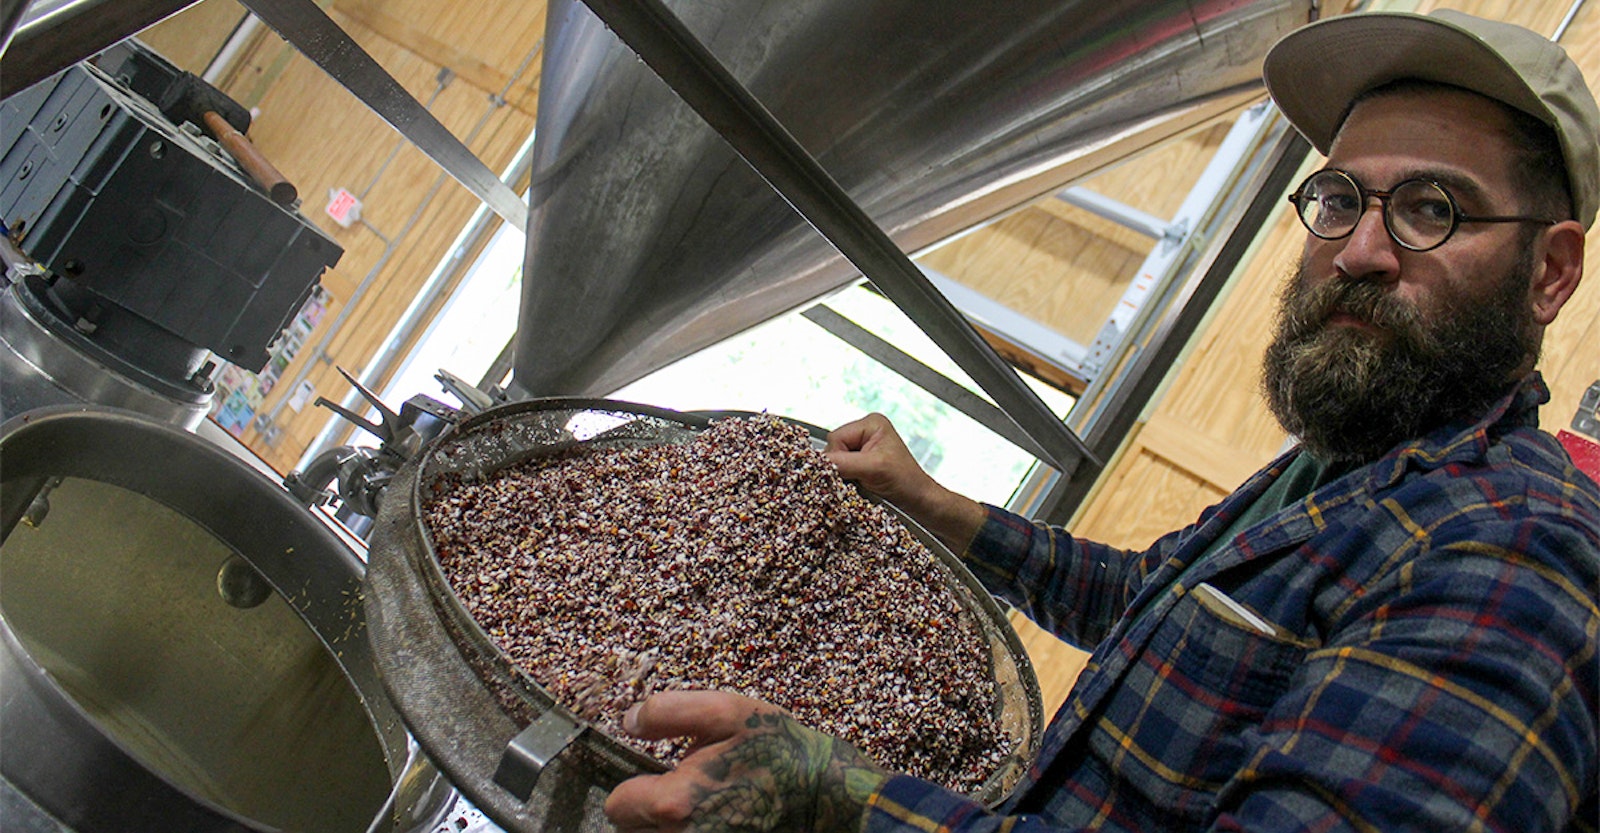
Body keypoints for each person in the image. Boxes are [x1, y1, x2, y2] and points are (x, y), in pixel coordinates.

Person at [603, 9, 1600, 832]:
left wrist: (835, 794)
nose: (1358, 251)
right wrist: (939, 506)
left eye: (1431, 208)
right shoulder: (1347, 469)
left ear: (1549, 271)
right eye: (1338, 198)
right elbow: (1154, 599)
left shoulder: (1511, 553)